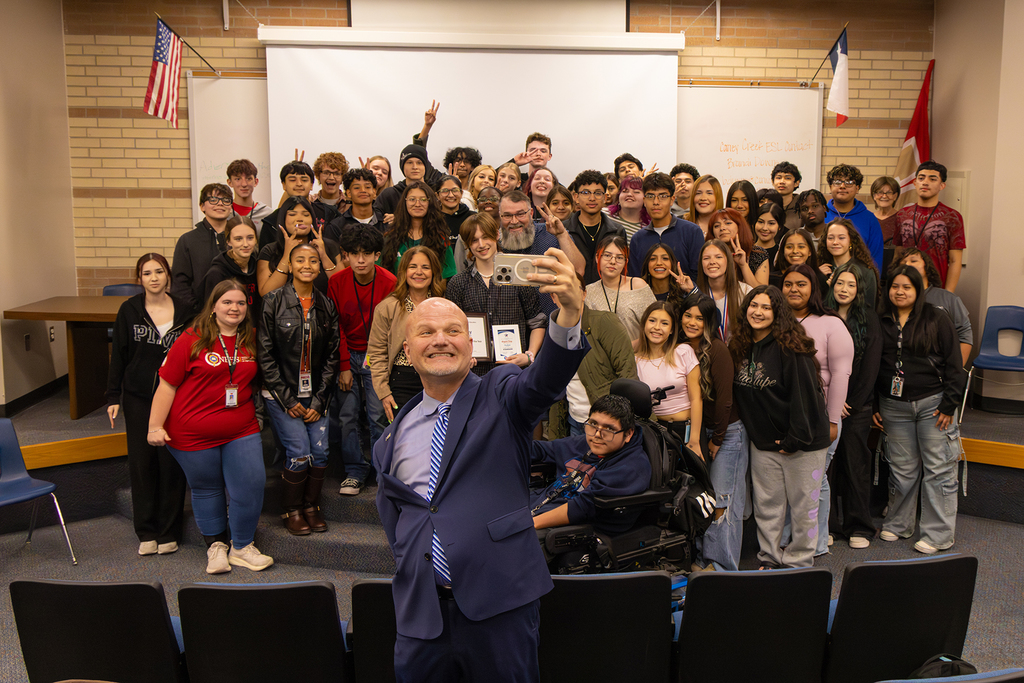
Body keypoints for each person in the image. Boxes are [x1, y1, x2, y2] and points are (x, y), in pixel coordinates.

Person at [372, 247, 585, 682]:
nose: (440, 339)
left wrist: (569, 316)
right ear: (408, 351)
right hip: (421, 614)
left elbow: (544, 382)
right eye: (426, 332)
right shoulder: (391, 436)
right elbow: (397, 515)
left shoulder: (501, 393)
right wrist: (414, 559)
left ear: (472, 346)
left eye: (454, 330)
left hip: (499, 602)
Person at [147, 280, 272, 574]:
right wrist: (154, 426)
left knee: (251, 485)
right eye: (227, 302)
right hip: (190, 432)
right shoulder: (191, 338)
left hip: (241, 428)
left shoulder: (252, 339)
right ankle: (216, 547)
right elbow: (167, 386)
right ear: (213, 306)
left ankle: (242, 546)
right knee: (207, 488)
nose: (234, 308)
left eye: (240, 303)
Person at [730, 285, 831, 568]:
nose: (758, 312)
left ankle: (799, 562)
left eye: (766, 307)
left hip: (803, 442)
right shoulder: (739, 346)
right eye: (753, 305)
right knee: (767, 508)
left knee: (804, 509)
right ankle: (770, 558)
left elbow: (805, 399)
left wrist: (793, 440)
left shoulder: (791, 348)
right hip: (764, 443)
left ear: (778, 313)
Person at [874, 265, 967, 554]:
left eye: (907, 287)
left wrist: (950, 404)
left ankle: (938, 535)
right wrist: (876, 403)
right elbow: (873, 367)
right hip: (893, 406)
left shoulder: (937, 318)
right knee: (902, 470)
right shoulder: (880, 321)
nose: (899, 292)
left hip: (934, 405)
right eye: (894, 286)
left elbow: (955, 365)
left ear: (918, 291)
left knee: (939, 470)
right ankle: (899, 525)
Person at [107, 253, 189, 556]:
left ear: (168, 275)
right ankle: (147, 531)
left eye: (159, 271)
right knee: (142, 465)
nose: (153, 278)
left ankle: (169, 532)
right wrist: (113, 396)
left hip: (175, 398)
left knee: (171, 465)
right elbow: (119, 354)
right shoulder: (129, 310)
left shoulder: (185, 310)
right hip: (138, 397)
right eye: (146, 273)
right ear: (139, 278)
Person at [259, 245, 341, 535]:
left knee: (320, 453)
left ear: (320, 266)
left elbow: (333, 356)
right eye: (300, 260)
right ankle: (291, 510)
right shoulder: (272, 301)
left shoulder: (326, 304)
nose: (307, 265)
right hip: (283, 395)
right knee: (299, 453)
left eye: (313, 260)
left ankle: (310, 507)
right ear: (290, 266)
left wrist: (319, 400)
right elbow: (265, 356)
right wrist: (287, 398)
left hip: (316, 394)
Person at [782, 264, 853, 557]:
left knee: (814, 480)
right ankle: (799, 538)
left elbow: (841, 373)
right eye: (788, 284)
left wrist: (833, 419)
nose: (794, 289)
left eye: (801, 284)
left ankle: (816, 541)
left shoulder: (831, 324)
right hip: (783, 416)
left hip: (819, 416)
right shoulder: (776, 320)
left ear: (814, 288)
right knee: (796, 480)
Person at [327, 225, 397, 497]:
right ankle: (355, 471)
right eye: (353, 254)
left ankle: (382, 472)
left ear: (377, 255)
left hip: (377, 356)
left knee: (379, 415)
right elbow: (336, 328)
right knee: (347, 417)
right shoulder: (337, 282)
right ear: (345, 256)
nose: (360, 260)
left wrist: (378, 363)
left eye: (366, 254)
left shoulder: (389, 282)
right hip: (348, 353)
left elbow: (390, 328)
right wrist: (344, 365)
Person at [680, 294, 747, 572]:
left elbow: (725, 400)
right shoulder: (681, 347)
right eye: (688, 315)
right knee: (703, 498)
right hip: (700, 431)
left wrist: (717, 439)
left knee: (722, 500)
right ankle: (703, 558)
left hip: (726, 431)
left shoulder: (718, 349)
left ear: (710, 322)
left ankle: (721, 565)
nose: (692, 322)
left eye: (700, 318)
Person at [530, 394, 650, 535]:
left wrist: (530, 524)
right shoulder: (589, 442)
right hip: (544, 503)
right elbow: (541, 449)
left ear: (628, 434)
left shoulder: (631, 467)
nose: (597, 435)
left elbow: (583, 507)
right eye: (593, 424)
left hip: (579, 528)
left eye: (609, 429)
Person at [445, 213, 546, 375]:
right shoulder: (458, 284)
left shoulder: (517, 276)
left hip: (514, 372)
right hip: (474, 374)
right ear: (467, 245)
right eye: (474, 240)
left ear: (497, 235)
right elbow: (451, 329)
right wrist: (461, 356)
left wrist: (529, 356)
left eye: (486, 237)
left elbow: (537, 322)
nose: (481, 244)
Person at [824, 263, 882, 549]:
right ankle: (829, 525)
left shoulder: (869, 318)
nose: (844, 289)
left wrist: (849, 402)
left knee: (855, 465)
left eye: (850, 285)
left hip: (856, 408)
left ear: (859, 289)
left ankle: (860, 526)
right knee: (828, 468)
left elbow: (871, 368)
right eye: (839, 284)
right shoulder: (823, 316)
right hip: (825, 407)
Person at [367, 246, 447, 423]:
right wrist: (383, 392)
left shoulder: (444, 304)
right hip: (401, 382)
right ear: (403, 271)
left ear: (434, 271)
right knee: (404, 441)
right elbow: (376, 352)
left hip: (439, 379)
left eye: (425, 267)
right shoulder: (387, 307)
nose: (419, 272)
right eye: (413, 266)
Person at [634, 301, 703, 458]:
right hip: (655, 433)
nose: (657, 327)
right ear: (644, 324)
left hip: (686, 430)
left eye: (664, 323)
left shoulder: (683, 352)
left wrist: (694, 440)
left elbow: (696, 399)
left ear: (672, 330)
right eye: (652, 321)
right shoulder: (635, 361)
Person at [497, 190, 586, 311]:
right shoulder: (495, 243)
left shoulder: (551, 233)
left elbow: (578, 271)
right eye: (507, 215)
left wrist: (561, 235)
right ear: (500, 216)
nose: (514, 221)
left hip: (553, 318)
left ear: (531, 213)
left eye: (520, 214)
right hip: (511, 321)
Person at [893, 161, 966, 292]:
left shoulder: (952, 217)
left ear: (942, 185)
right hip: (905, 285)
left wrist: (948, 294)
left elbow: (955, 260)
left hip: (937, 286)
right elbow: (898, 254)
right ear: (915, 183)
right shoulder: (902, 214)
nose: (925, 182)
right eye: (921, 178)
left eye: (932, 179)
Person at [897, 248, 973, 365]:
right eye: (903, 262)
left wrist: (956, 369)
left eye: (913, 261)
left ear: (927, 267)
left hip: (939, 369)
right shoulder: (896, 299)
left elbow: (964, 335)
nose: (907, 265)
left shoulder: (948, 299)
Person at [257, 196, 342, 297]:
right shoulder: (270, 250)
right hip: (284, 312)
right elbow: (266, 293)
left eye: (306, 214)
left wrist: (323, 256)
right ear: (283, 219)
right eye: (292, 214)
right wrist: (286, 256)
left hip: (324, 310)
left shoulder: (329, 246)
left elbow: (343, 287)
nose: (300, 219)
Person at [628, 172, 704, 280]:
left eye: (662, 196)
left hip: (686, 296)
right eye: (650, 196)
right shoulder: (638, 239)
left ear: (672, 200)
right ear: (644, 201)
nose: (656, 202)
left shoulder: (692, 232)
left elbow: (699, 276)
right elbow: (634, 280)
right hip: (647, 296)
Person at [171, 182, 232, 315]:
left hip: (235, 313)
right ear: (202, 206)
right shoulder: (187, 240)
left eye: (226, 200)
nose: (220, 204)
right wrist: (199, 311)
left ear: (231, 207)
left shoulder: (239, 237)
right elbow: (180, 285)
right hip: (199, 316)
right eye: (213, 200)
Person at [584, 235, 655, 342]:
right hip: (600, 356)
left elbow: (655, 324)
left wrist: (630, 349)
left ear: (626, 262)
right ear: (597, 258)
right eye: (607, 255)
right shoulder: (588, 292)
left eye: (619, 257)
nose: (613, 261)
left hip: (637, 354)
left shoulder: (637, 285)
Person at [258, 161, 339, 255]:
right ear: (284, 185)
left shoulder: (330, 213)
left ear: (312, 185)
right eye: (292, 180)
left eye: (304, 180)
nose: (299, 184)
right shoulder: (271, 221)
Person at [381, 181, 457, 279]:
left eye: (423, 199)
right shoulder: (391, 237)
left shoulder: (440, 238)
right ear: (404, 202)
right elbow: (383, 274)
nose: (417, 204)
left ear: (430, 203)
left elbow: (448, 276)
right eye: (412, 199)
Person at [824, 164, 884, 270]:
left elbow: (875, 260)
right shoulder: (821, 215)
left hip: (860, 282)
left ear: (857, 188)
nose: (842, 186)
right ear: (830, 187)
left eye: (849, 182)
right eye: (837, 182)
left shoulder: (870, 219)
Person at [202, 215, 260, 316]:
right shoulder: (217, 273)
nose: (245, 244)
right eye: (238, 239)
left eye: (250, 238)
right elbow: (210, 311)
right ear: (228, 241)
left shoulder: (259, 267)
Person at [697, 239, 752, 342]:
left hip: (739, 352)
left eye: (718, 257)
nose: (712, 262)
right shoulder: (696, 294)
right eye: (706, 258)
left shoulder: (745, 292)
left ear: (728, 260)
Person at [817, 218, 880, 305]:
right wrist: (818, 279)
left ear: (851, 241)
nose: (835, 242)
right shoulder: (820, 270)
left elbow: (869, 310)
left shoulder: (866, 272)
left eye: (841, 238)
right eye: (830, 238)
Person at [373, 144, 441, 223]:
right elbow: (373, 219)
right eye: (409, 162)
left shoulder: (436, 191)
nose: (415, 167)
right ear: (402, 167)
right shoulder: (390, 194)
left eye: (419, 163)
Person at [707, 208, 769, 287]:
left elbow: (761, 293)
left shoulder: (758, 253)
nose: (722, 228)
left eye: (728, 223)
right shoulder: (709, 256)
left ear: (740, 226)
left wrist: (743, 265)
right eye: (716, 226)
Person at [324, 168, 380, 244]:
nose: (363, 190)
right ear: (348, 193)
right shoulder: (336, 227)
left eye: (367, 187)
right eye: (357, 187)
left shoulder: (386, 223)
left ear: (374, 192)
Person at [870, 175, 901, 281]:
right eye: (879, 192)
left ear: (895, 196)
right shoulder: (868, 219)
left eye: (889, 192)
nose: (884, 196)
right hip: (870, 274)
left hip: (894, 275)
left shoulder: (902, 219)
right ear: (874, 196)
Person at [226, 159, 273, 226]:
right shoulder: (224, 213)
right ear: (230, 182)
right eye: (238, 179)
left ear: (256, 182)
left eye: (249, 179)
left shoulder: (267, 214)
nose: (244, 184)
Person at [605, 174, 649, 240]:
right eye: (625, 191)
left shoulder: (649, 229)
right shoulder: (603, 215)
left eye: (636, 192)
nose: (629, 194)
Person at [437, 175, 474, 243]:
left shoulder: (473, 218)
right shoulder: (432, 219)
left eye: (455, 190)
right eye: (445, 190)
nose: (451, 195)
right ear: (437, 195)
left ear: (461, 193)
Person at [753, 202, 786, 275]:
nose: (764, 228)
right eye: (760, 222)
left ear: (779, 227)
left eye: (771, 223)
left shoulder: (782, 254)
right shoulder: (746, 251)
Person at [771, 161, 804, 231]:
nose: (782, 182)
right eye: (778, 178)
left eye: (787, 178)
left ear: (796, 183)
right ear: (772, 181)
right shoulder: (767, 205)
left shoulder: (802, 206)